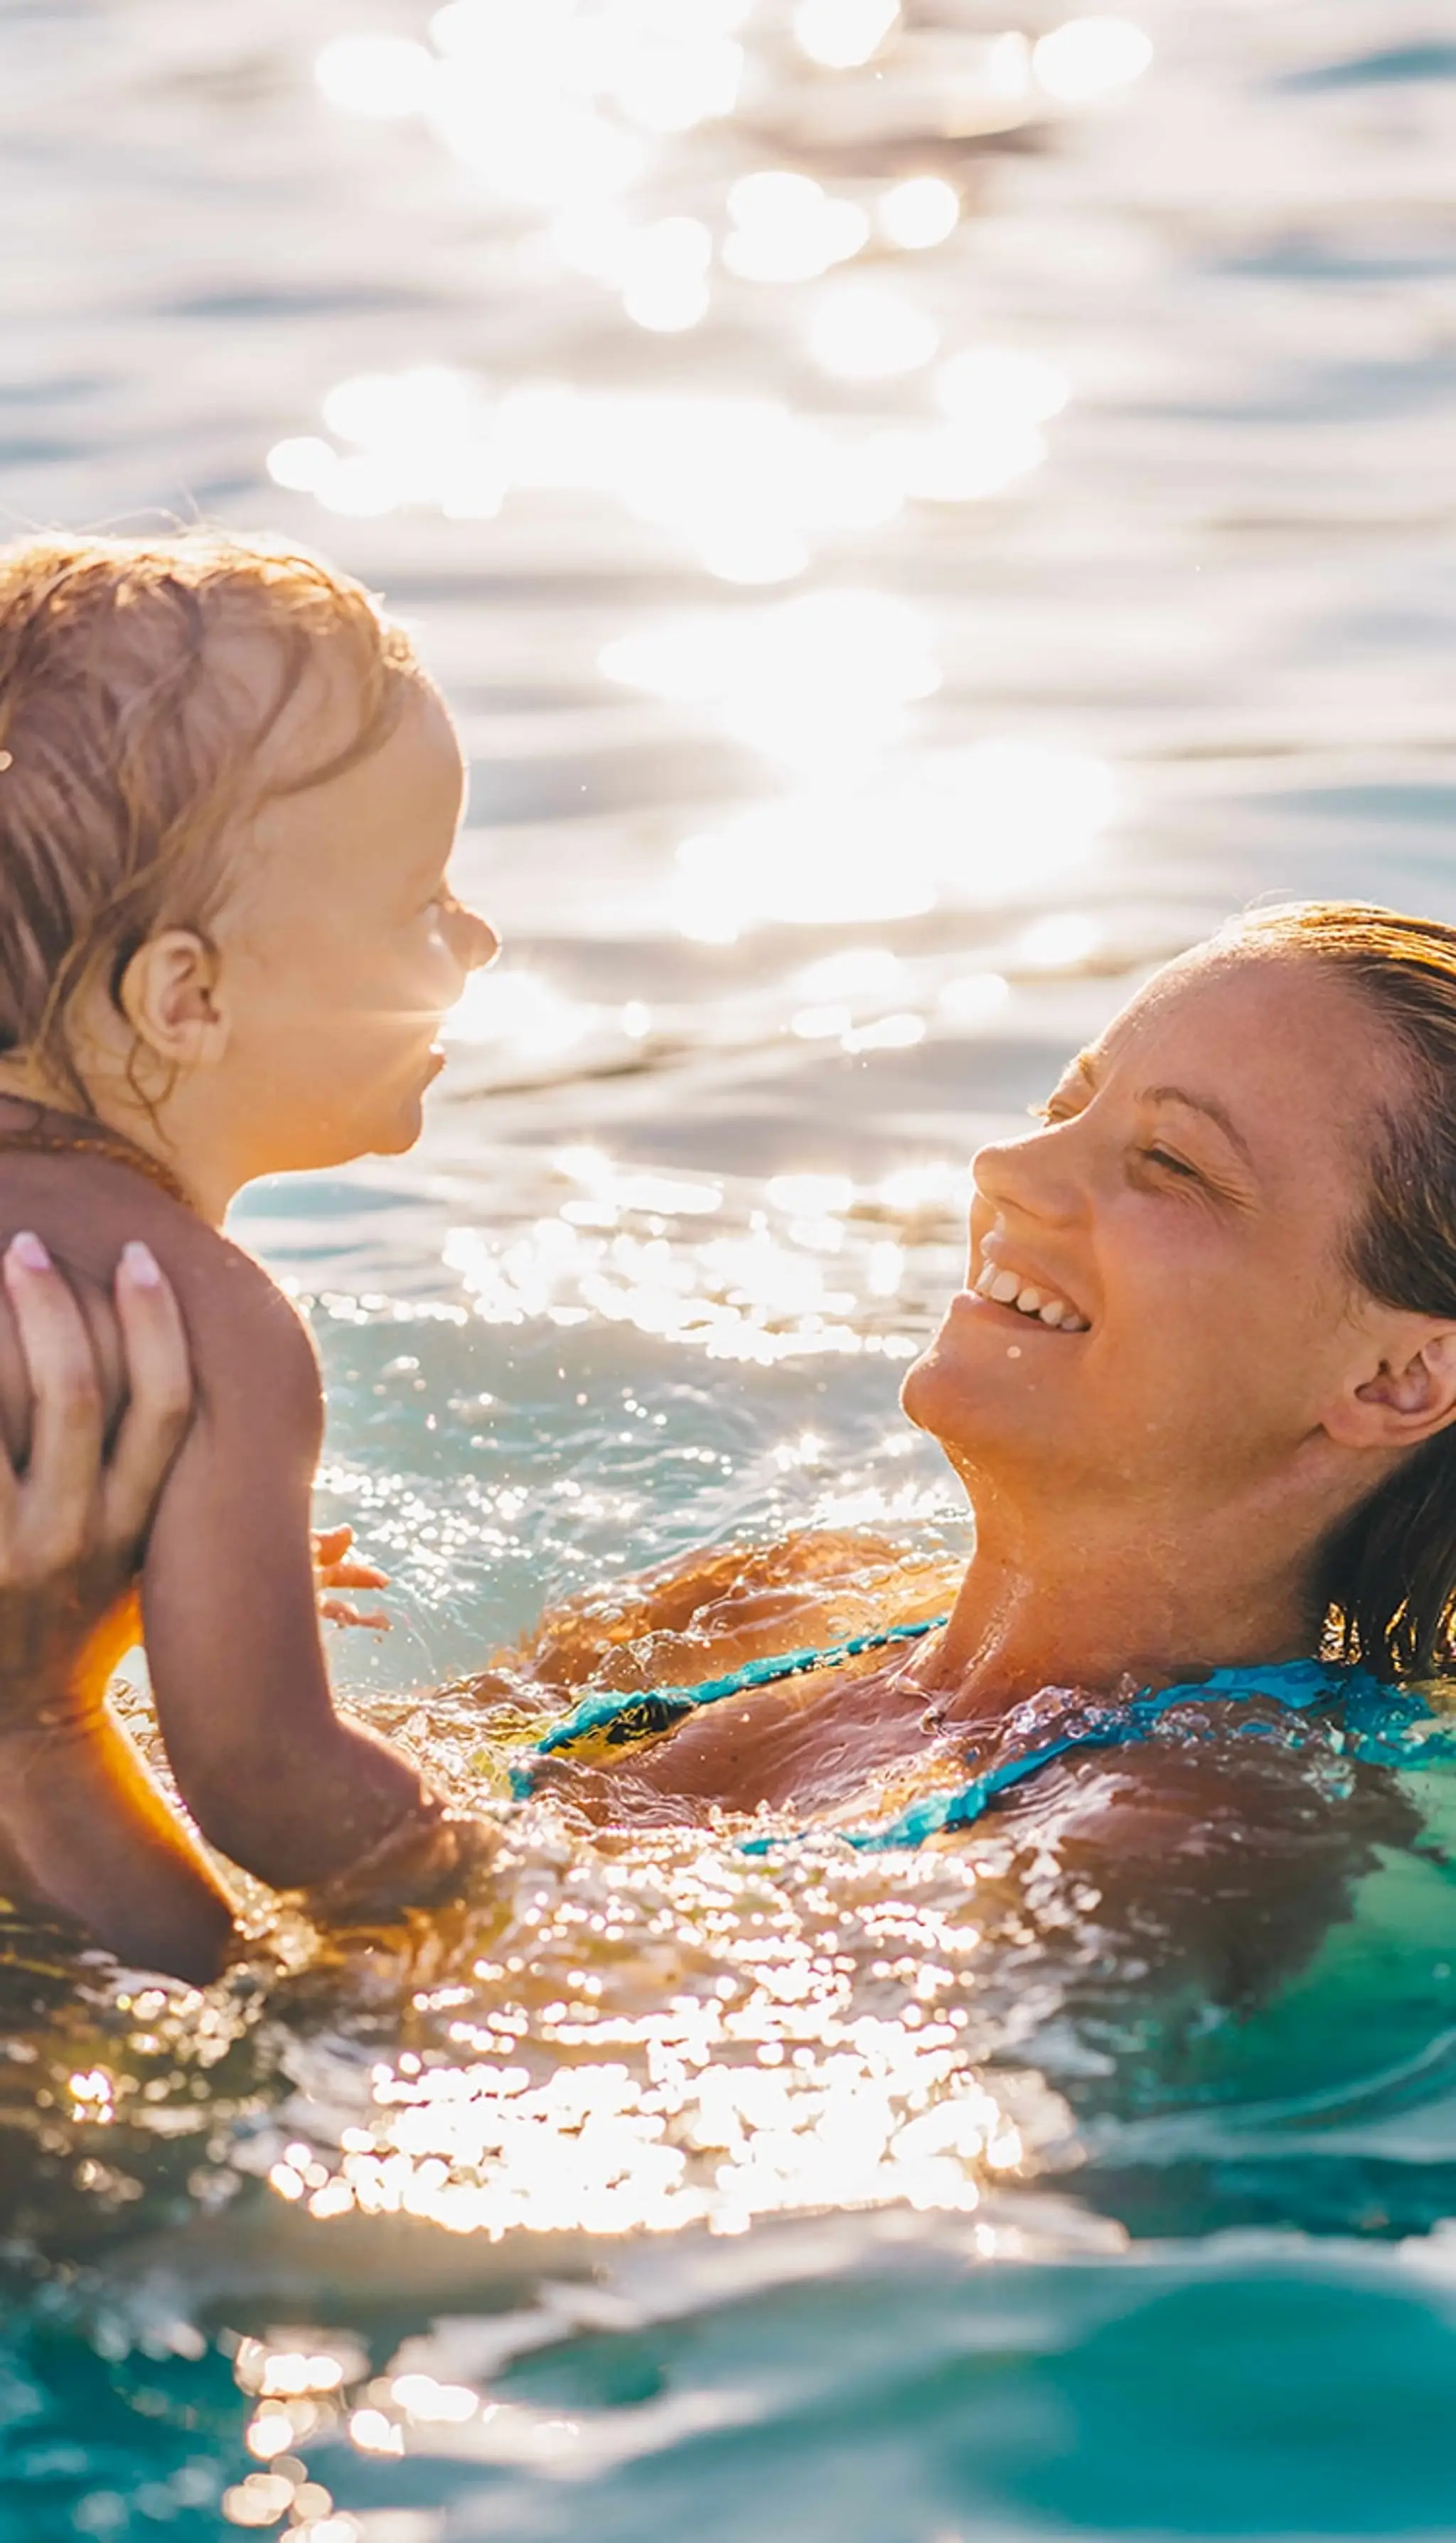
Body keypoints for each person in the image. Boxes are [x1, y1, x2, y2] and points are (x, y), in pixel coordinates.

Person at [504, 904, 1456, 1888]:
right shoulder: (762, 1600)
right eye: (1062, 1111)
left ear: (1398, 1380)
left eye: (1171, 1164)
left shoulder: (1171, 1840)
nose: (1006, 1168)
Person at [0, 529, 499, 1981]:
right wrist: (491, 1883)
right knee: (222, 1984)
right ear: (188, 996)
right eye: (421, 902)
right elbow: (269, 1783)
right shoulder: (202, 1319)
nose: (476, 940)